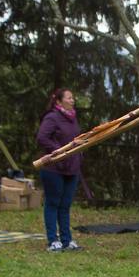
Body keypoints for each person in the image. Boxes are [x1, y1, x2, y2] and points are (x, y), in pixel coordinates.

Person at [36, 88, 85, 252]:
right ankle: (53, 240)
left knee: (65, 205)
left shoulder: (72, 118)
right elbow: (42, 137)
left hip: (71, 168)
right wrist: (59, 150)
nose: (73, 101)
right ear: (58, 101)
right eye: (69, 98)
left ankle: (67, 239)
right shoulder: (52, 117)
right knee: (53, 203)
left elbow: (73, 139)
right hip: (53, 168)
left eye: (73, 98)